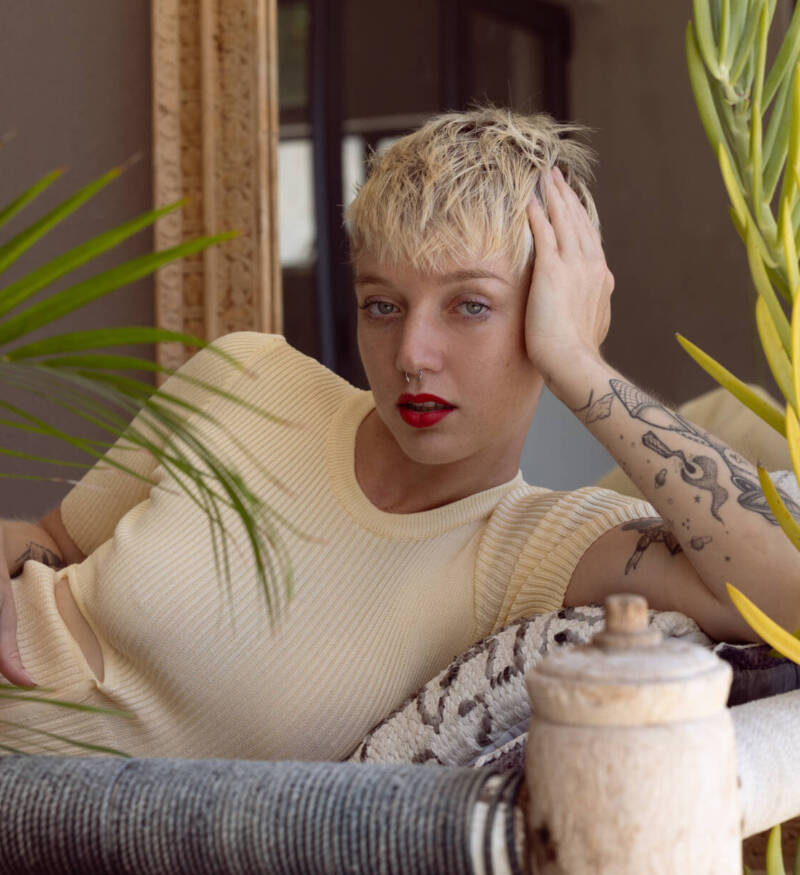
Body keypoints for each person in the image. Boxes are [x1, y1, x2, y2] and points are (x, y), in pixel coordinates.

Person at [1, 108, 798, 760]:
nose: (412, 355)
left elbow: (789, 602)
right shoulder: (246, 379)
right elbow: (46, 539)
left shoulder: (532, 550)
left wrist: (581, 367)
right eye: (383, 305)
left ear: (555, 307)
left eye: (470, 305)